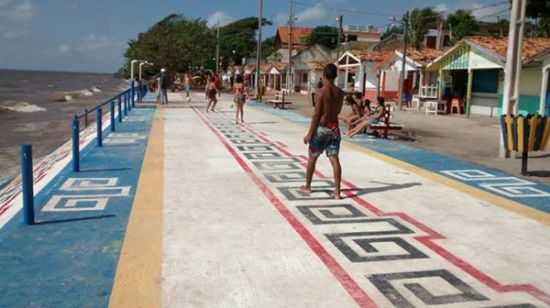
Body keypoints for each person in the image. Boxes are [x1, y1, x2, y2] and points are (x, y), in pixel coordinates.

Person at [302, 64, 345, 200]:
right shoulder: (340, 92)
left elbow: (317, 115)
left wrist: (309, 133)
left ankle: (308, 186)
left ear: (324, 76)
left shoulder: (321, 92)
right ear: (336, 76)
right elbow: (337, 111)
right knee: (334, 159)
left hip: (322, 128)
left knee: (312, 157)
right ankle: (337, 192)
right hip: (334, 128)